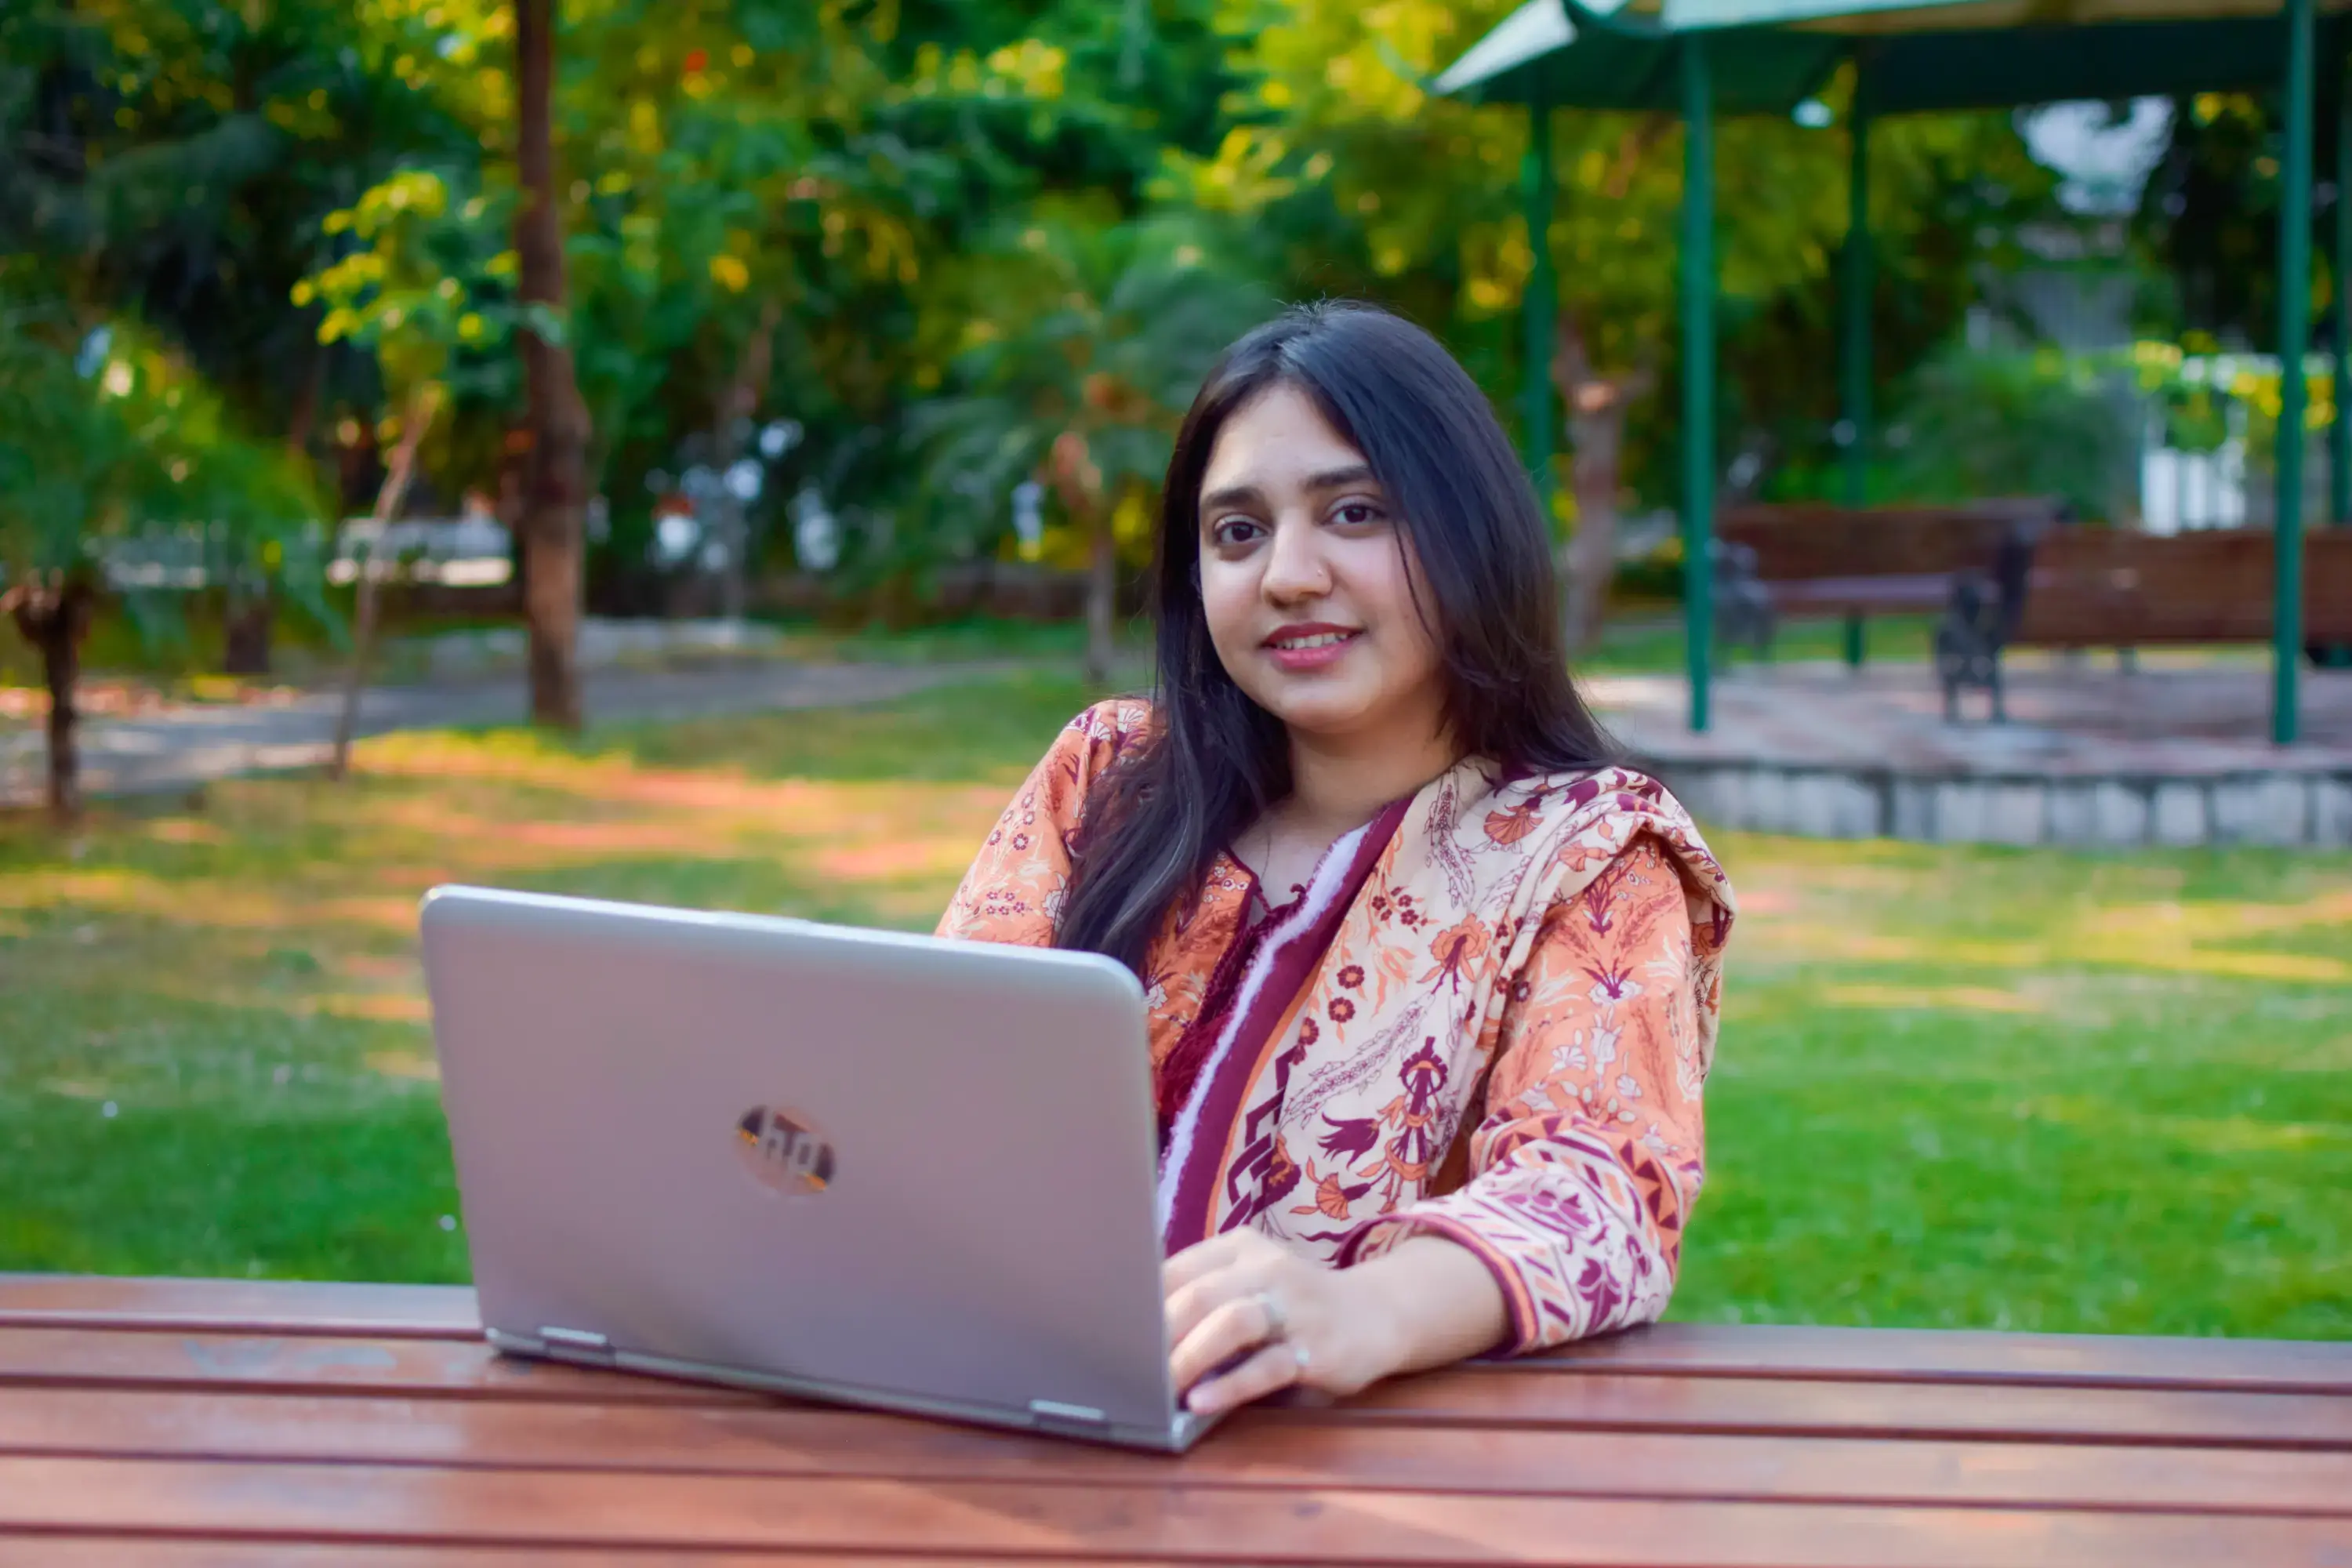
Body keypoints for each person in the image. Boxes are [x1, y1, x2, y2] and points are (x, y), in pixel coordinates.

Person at [938, 301, 1736, 1417]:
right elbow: (936, 1078)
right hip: (1013, 1408)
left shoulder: (1589, 851)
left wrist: (1357, 1313)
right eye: (1237, 532)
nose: (1288, 576)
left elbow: (1595, 1195)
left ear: (1470, 533)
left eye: (1353, 513)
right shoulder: (1108, 779)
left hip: (1347, 1460)